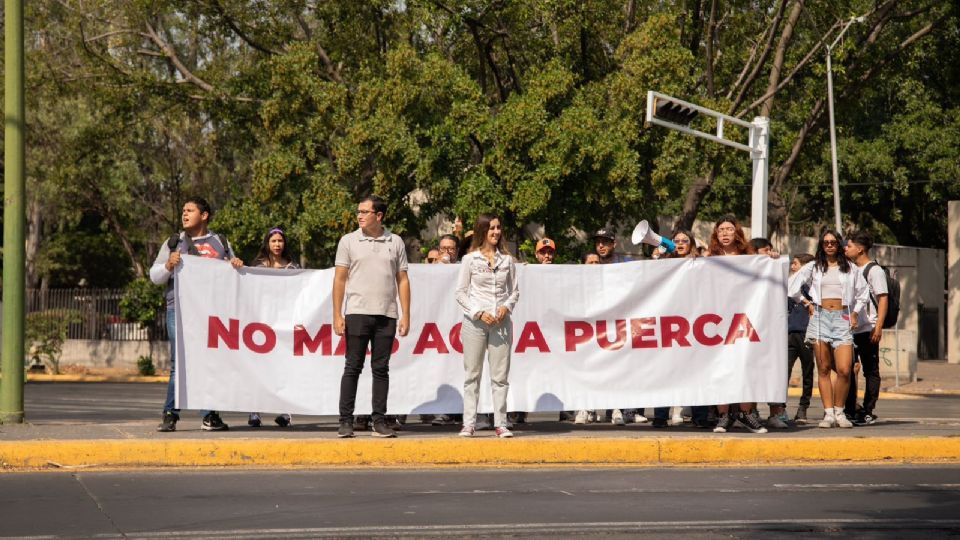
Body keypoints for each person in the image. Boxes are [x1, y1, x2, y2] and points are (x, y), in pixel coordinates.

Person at [151, 197, 244, 432]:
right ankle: (170, 414)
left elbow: (233, 272)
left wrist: (235, 263)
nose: (184, 214)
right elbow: (154, 277)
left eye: (190, 210)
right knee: (179, 362)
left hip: (212, 313)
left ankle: (209, 416)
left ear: (204, 215)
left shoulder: (220, 242)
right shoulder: (174, 242)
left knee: (210, 361)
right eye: (183, 210)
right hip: (179, 310)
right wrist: (168, 266)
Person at [333, 195, 411, 438]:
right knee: (352, 367)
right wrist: (337, 314)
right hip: (356, 312)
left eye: (365, 212)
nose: (360, 216)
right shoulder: (348, 241)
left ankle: (379, 421)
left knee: (381, 369)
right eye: (359, 211)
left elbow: (403, 280)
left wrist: (405, 314)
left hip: (386, 314)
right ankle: (345, 421)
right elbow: (340, 279)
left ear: (379, 216)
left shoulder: (395, 241)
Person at [788, 230, 868, 429]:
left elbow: (863, 292)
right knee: (823, 369)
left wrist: (856, 312)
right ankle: (829, 413)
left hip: (842, 318)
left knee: (844, 369)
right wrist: (807, 303)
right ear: (821, 246)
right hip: (820, 317)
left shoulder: (850, 268)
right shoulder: (814, 267)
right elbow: (792, 287)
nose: (830, 245)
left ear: (839, 245)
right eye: (826, 243)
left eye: (833, 242)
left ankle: (840, 411)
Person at [456, 213, 520, 438]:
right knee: (472, 374)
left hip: (501, 323)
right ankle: (468, 423)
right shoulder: (470, 260)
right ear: (482, 231)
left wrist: (506, 307)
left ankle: (501, 423)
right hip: (475, 322)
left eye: (498, 228)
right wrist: (478, 312)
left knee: (500, 376)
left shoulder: (507, 260)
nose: (496, 232)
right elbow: (461, 293)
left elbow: (514, 292)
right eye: (491, 228)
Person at [705, 215, 769, 434]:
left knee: (745, 365)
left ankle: (746, 413)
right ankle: (723, 416)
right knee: (721, 367)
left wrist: (772, 260)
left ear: (737, 232)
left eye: (729, 229)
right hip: (716, 320)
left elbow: (764, 272)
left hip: (743, 319)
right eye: (721, 229)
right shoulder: (709, 257)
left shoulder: (748, 256)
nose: (724, 233)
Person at [651, 230, 711, 428]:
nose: (680, 243)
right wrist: (656, 259)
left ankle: (700, 416)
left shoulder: (700, 264)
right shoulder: (663, 263)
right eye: (675, 241)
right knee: (664, 370)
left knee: (696, 370)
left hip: (693, 323)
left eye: (685, 241)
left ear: (691, 243)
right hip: (668, 323)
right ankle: (660, 415)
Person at [592, 228, 645, 425]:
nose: (600, 245)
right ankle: (612, 409)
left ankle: (628, 411)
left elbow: (646, 274)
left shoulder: (626, 264)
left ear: (614, 244)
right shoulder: (591, 265)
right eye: (598, 242)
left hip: (623, 323)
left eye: (605, 242)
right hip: (602, 326)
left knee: (626, 368)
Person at [247, 227, 299, 428]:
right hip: (262, 323)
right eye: (273, 241)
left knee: (284, 367)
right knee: (260, 368)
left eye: (280, 241)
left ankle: (285, 413)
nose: (277, 245)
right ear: (267, 243)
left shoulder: (293, 268)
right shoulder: (257, 267)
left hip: (285, 324)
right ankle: (254, 412)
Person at [843, 231, 889, 426]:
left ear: (860, 249)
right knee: (847, 369)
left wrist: (878, 326)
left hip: (868, 327)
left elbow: (883, 298)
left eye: (849, 246)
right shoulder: (849, 269)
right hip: (849, 329)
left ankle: (868, 410)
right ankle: (851, 408)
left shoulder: (874, 271)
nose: (846, 248)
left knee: (870, 371)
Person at [750, 237, 789, 429]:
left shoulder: (774, 265)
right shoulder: (745, 268)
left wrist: (774, 260)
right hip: (750, 328)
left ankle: (776, 413)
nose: (769, 253)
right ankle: (751, 413)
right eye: (765, 250)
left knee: (773, 368)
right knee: (751, 372)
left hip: (770, 327)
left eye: (770, 250)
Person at [787, 253, 816, 424]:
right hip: (790, 334)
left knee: (807, 372)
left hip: (807, 333)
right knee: (784, 372)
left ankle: (803, 408)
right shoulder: (789, 285)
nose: (792, 267)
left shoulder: (811, 286)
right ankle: (779, 409)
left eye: (795, 264)